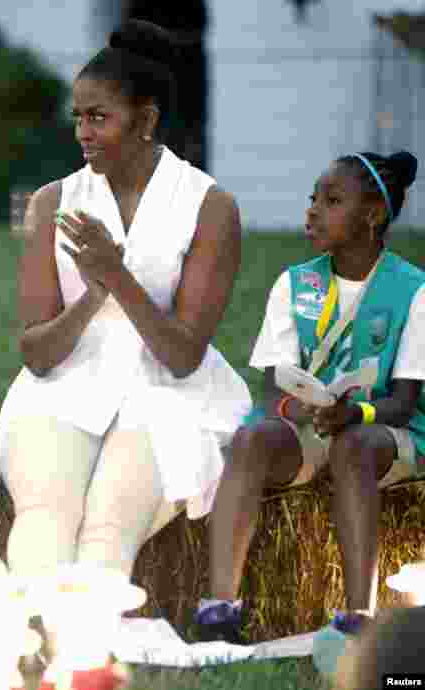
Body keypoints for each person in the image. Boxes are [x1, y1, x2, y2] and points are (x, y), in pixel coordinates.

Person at [0, 18, 251, 652]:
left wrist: (118, 275)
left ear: (146, 119)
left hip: (167, 392)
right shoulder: (53, 201)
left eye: (99, 118)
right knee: (44, 516)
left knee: (107, 525)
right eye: (77, 117)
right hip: (65, 382)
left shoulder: (208, 204)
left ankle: (77, 648)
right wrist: (93, 295)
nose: (82, 133)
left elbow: (184, 355)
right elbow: (34, 351)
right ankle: (34, 642)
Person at [197, 151, 422, 645]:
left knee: (353, 446)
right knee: (252, 436)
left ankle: (359, 615)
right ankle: (219, 609)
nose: (313, 211)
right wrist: (292, 407)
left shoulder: (414, 290)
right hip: (314, 428)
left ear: (373, 215)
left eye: (332, 200)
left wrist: (352, 413)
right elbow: (275, 382)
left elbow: (404, 403)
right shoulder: (296, 284)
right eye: (312, 199)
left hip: (384, 432)